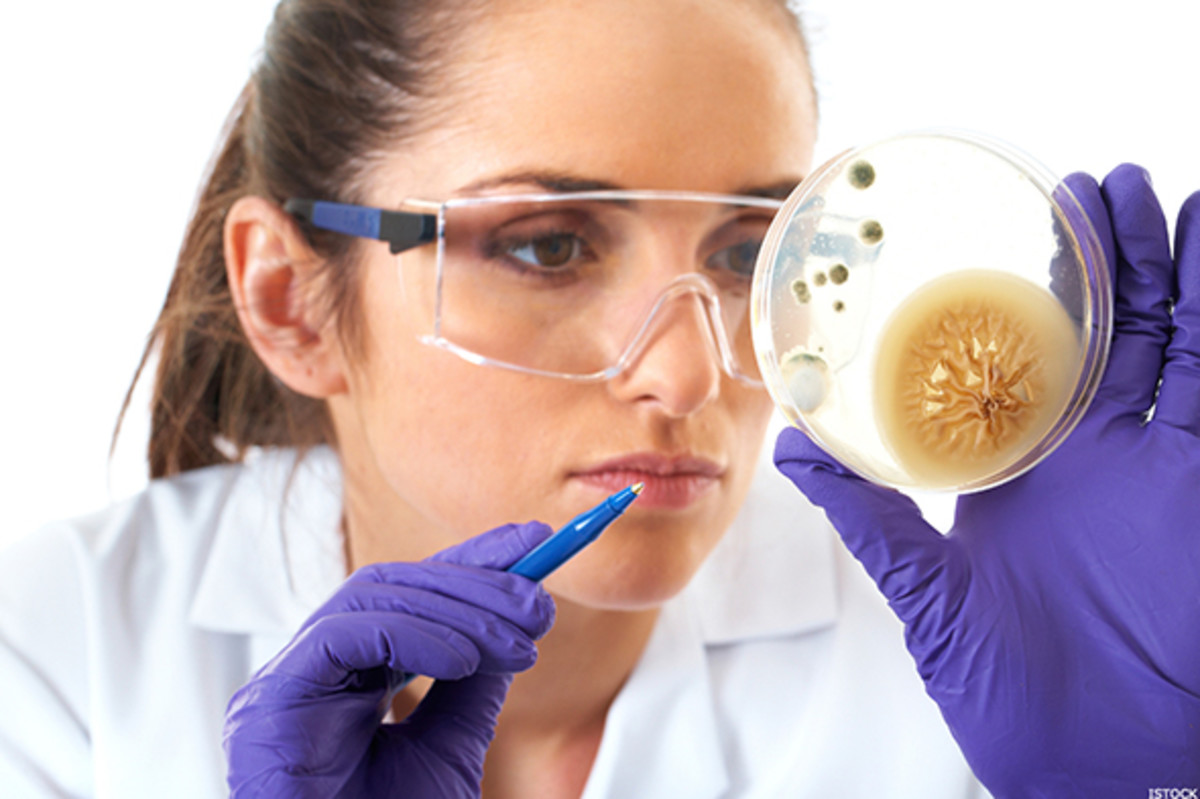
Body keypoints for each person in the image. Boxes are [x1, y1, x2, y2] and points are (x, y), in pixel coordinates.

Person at [0, 0, 1196, 796]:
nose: (689, 373)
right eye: (548, 246)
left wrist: (1141, 786)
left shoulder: (974, 665)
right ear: (290, 302)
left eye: (747, 252)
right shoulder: (55, 653)